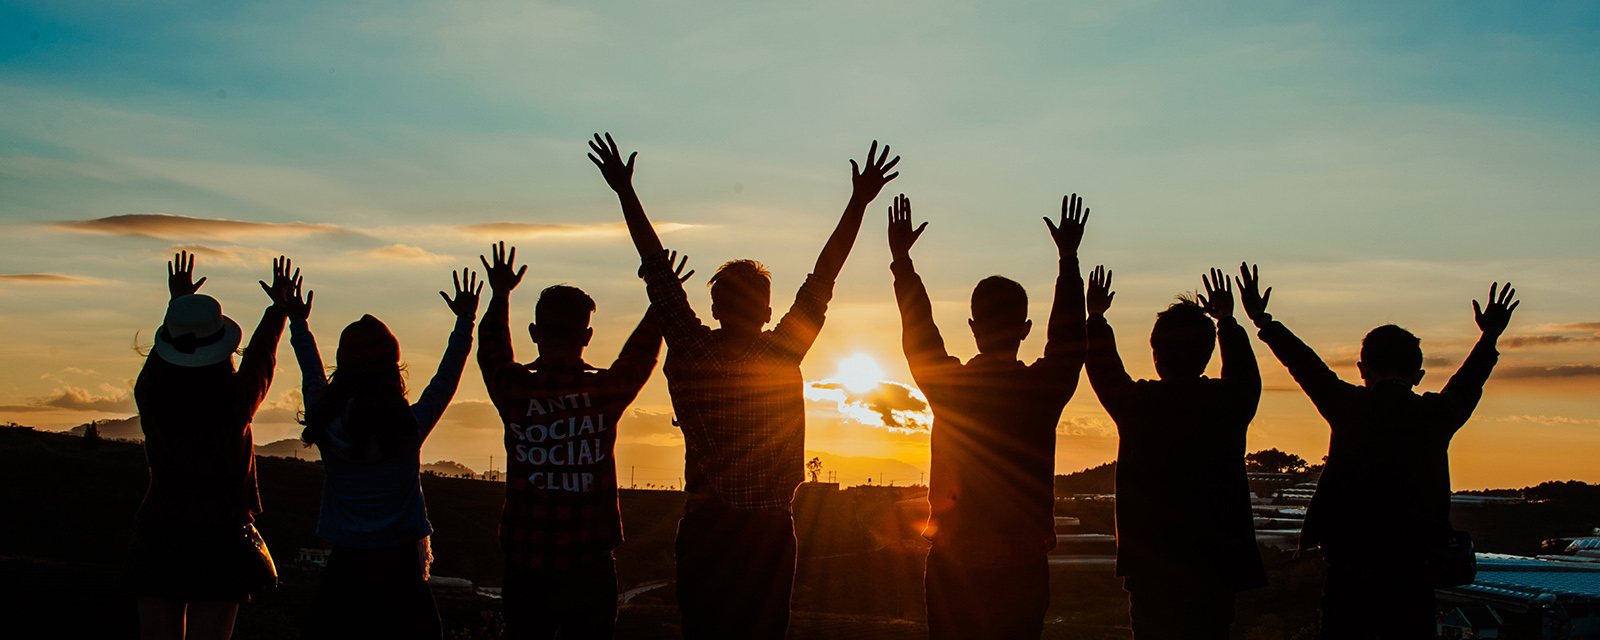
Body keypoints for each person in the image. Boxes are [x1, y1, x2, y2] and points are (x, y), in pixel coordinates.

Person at [588, 132, 899, 638]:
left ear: (714, 307)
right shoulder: (780, 353)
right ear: (768, 310)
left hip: (705, 531)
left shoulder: (690, 348)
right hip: (767, 533)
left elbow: (658, 274)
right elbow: (824, 277)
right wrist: (858, 201)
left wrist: (625, 191)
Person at [1237, 263, 1519, 639]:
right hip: (1414, 571)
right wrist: (1489, 338)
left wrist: (1263, 320)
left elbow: (1304, 364)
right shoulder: (1436, 415)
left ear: (1362, 368)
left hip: (1350, 569)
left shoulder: (1349, 406)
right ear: (1418, 375)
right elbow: (1469, 379)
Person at [889, 192, 1087, 640]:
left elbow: (919, 332)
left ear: (973, 326)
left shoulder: (950, 387)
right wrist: (1069, 261)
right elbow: (1070, 340)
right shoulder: (1043, 389)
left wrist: (903, 262)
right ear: (1025, 329)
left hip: (954, 563)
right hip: (1023, 564)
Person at [477, 241, 687, 640]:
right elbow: (641, 354)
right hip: (589, 565)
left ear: (535, 333)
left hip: (525, 564)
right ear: (587, 336)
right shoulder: (604, 392)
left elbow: (491, 349)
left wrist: (500, 293)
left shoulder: (514, 389)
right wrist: (662, 295)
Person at [293, 267, 481, 640]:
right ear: (392, 370)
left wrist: (297, 321)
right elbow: (445, 380)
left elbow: (311, 372)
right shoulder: (407, 428)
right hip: (400, 567)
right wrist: (465, 321)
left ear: (342, 368)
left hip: (344, 565)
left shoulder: (325, 423)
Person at [1082, 266, 1267, 639]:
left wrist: (1096, 318)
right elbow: (1244, 372)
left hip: (1152, 570)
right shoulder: (1229, 403)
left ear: (1156, 356)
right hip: (1215, 569)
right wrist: (1227, 321)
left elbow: (1103, 367)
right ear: (1207, 354)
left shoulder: (1138, 405)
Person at [128, 251, 297, 640]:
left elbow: (165, 361)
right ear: (221, 345)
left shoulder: (150, 391)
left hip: (158, 532)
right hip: (220, 536)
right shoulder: (234, 403)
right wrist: (278, 310)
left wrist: (179, 306)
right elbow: (260, 361)